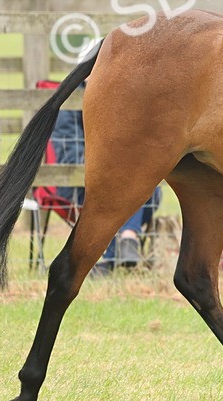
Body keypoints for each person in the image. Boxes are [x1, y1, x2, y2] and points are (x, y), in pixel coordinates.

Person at [49, 94, 161, 275]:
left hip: (120, 177)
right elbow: (69, 155)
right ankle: (126, 240)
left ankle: (115, 254)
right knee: (127, 190)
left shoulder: (120, 94)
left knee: (151, 191)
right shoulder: (70, 103)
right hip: (79, 183)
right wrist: (111, 170)